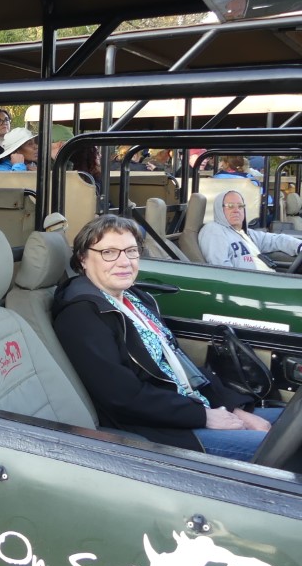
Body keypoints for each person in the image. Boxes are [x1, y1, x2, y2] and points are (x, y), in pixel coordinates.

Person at [53, 215, 280, 458]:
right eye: (109, 252)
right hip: (159, 430)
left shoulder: (136, 300)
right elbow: (122, 396)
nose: (124, 262)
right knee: (281, 448)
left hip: (191, 406)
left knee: (291, 424)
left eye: (131, 251)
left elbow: (183, 365)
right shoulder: (82, 315)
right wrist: (204, 416)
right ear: (83, 259)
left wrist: (235, 409)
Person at [199, 190, 302, 270]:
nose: (236, 210)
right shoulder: (214, 230)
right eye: (230, 206)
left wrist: (299, 246)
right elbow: (221, 270)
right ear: (219, 209)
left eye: (240, 206)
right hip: (251, 287)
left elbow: (276, 240)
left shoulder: (246, 233)